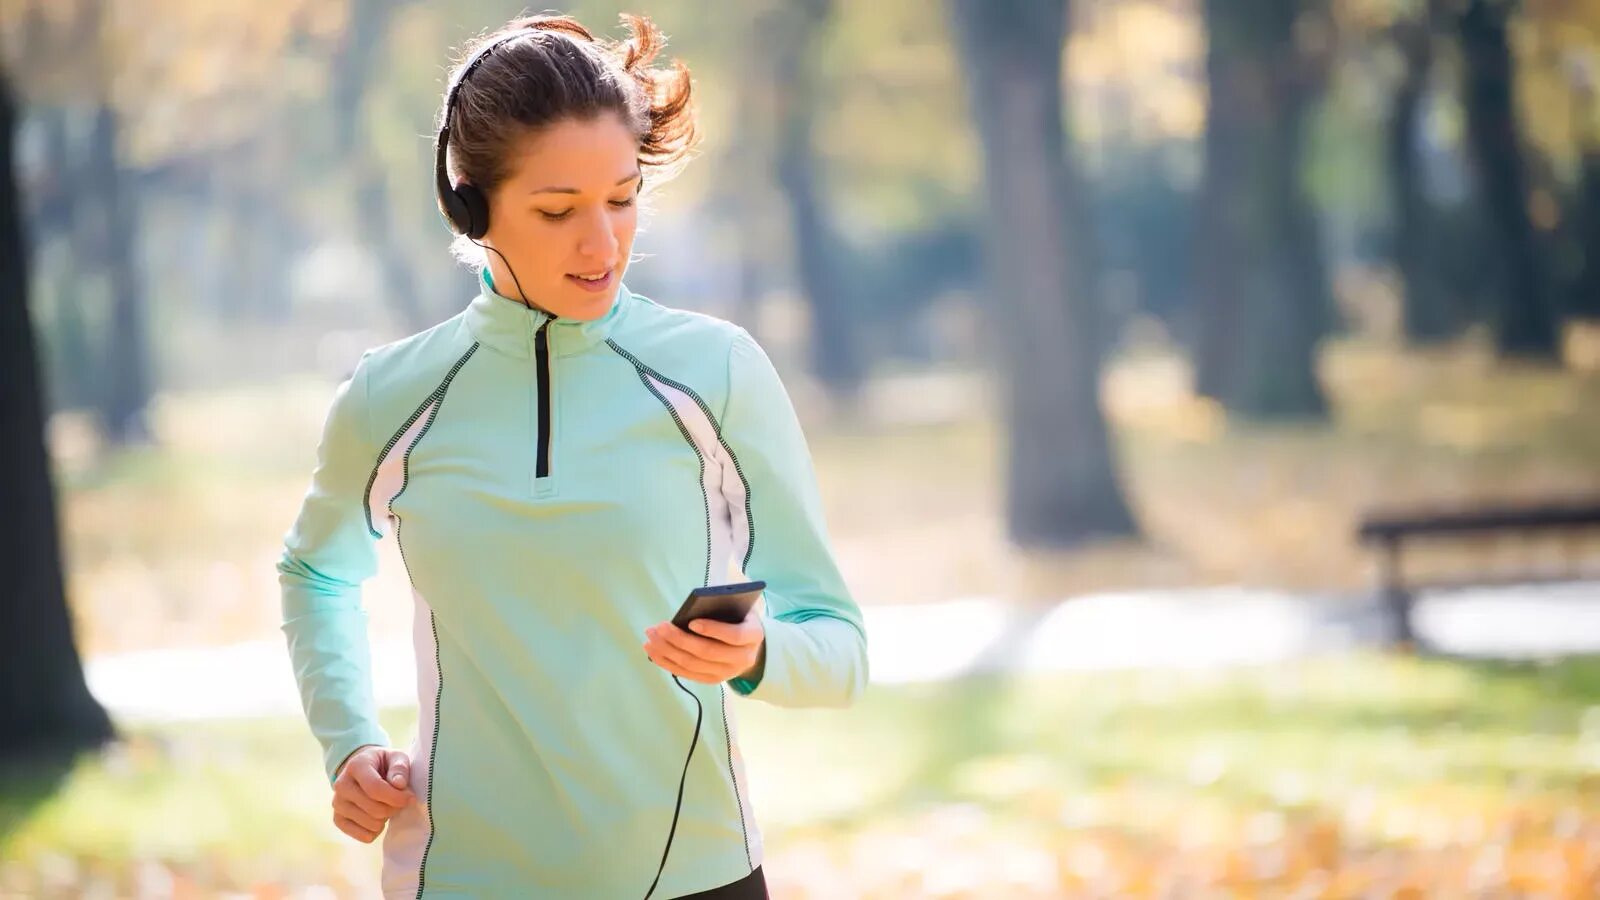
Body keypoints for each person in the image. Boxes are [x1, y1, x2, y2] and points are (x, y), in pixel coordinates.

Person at [276, 13, 868, 899]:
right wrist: (350, 741)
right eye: (557, 211)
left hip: (694, 874)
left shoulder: (719, 374)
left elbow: (841, 649)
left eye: (623, 199)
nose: (604, 244)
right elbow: (315, 573)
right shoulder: (391, 396)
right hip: (462, 879)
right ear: (469, 203)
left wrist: (753, 657)